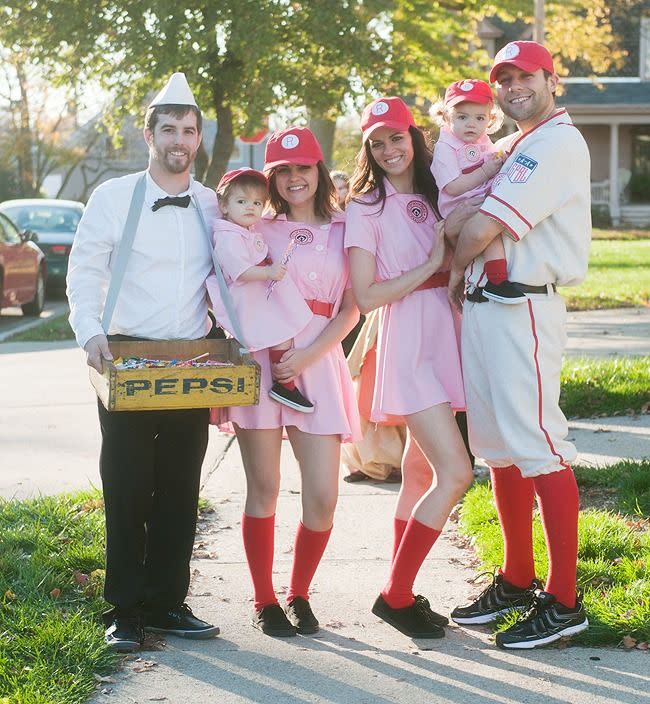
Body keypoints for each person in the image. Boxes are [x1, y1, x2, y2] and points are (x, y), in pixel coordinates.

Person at [67, 73, 221, 652]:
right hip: (126, 356)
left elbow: (231, 276)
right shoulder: (112, 196)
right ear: (149, 134)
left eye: (188, 130)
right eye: (168, 129)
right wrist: (90, 333)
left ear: (198, 139)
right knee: (128, 485)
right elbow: (84, 269)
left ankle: (167, 602)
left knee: (180, 486)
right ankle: (124, 609)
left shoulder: (210, 203)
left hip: (193, 358)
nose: (179, 140)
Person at [448, 41, 591, 649]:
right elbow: (456, 217)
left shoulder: (558, 142)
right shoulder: (514, 145)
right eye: (501, 78)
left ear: (551, 80)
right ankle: (516, 575)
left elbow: (476, 228)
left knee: (538, 444)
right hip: (487, 305)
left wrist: (457, 258)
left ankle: (564, 599)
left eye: (524, 75)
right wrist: (463, 249)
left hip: (524, 302)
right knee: (499, 448)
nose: (512, 86)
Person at [221, 126, 361, 637]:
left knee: (322, 495)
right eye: (282, 171)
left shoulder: (348, 227)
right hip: (264, 363)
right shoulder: (257, 228)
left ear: (319, 170)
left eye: (302, 168)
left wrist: (308, 354)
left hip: (317, 362)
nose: (293, 179)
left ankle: (299, 591)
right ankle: (264, 599)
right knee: (265, 487)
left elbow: (353, 306)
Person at [345, 96, 474, 638]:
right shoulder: (365, 207)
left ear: (414, 138)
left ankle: (404, 586)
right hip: (410, 337)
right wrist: (429, 265)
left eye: (396, 138)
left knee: (420, 473)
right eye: (377, 143)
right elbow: (367, 295)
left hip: (449, 329)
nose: (389, 149)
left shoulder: (436, 189)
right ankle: (395, 596)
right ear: (369, 151)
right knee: (457, 473)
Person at [206, 167, 314, 412]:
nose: (250, 207)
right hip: (243, 294)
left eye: (257, 202)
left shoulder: (245, 231)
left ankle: (282, 381)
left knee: (280, 331)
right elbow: (240, 271)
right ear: (224, 205)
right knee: (272, 330)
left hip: (255, 292)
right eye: (241, 201)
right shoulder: (227, 236)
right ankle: (281, 383)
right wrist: (268, 272)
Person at [431, 79, 522, 304]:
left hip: (478, 199)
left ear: (490, 119)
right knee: (487, 233)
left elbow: (492, 161)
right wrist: (485, 171)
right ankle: (497, 281)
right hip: (459, 206)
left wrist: (499, 160)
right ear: (445, 117)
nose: (471, 124)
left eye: (479, 118)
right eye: (462, 117)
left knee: (489, 234)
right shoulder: (445, 147)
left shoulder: (482, 139)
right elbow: (452, 186)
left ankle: (483, 285)